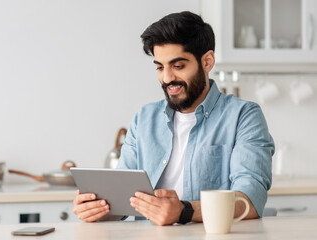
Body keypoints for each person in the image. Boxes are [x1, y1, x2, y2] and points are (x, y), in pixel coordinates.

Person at [73, 11, 274, 226]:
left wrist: (184, 211)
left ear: (207, 61)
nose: (167, 78)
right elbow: (123, 200)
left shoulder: (243, 116)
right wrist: (99, 208)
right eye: (160, 67)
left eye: (178, 66)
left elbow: (249, 201)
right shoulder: (144, 118)